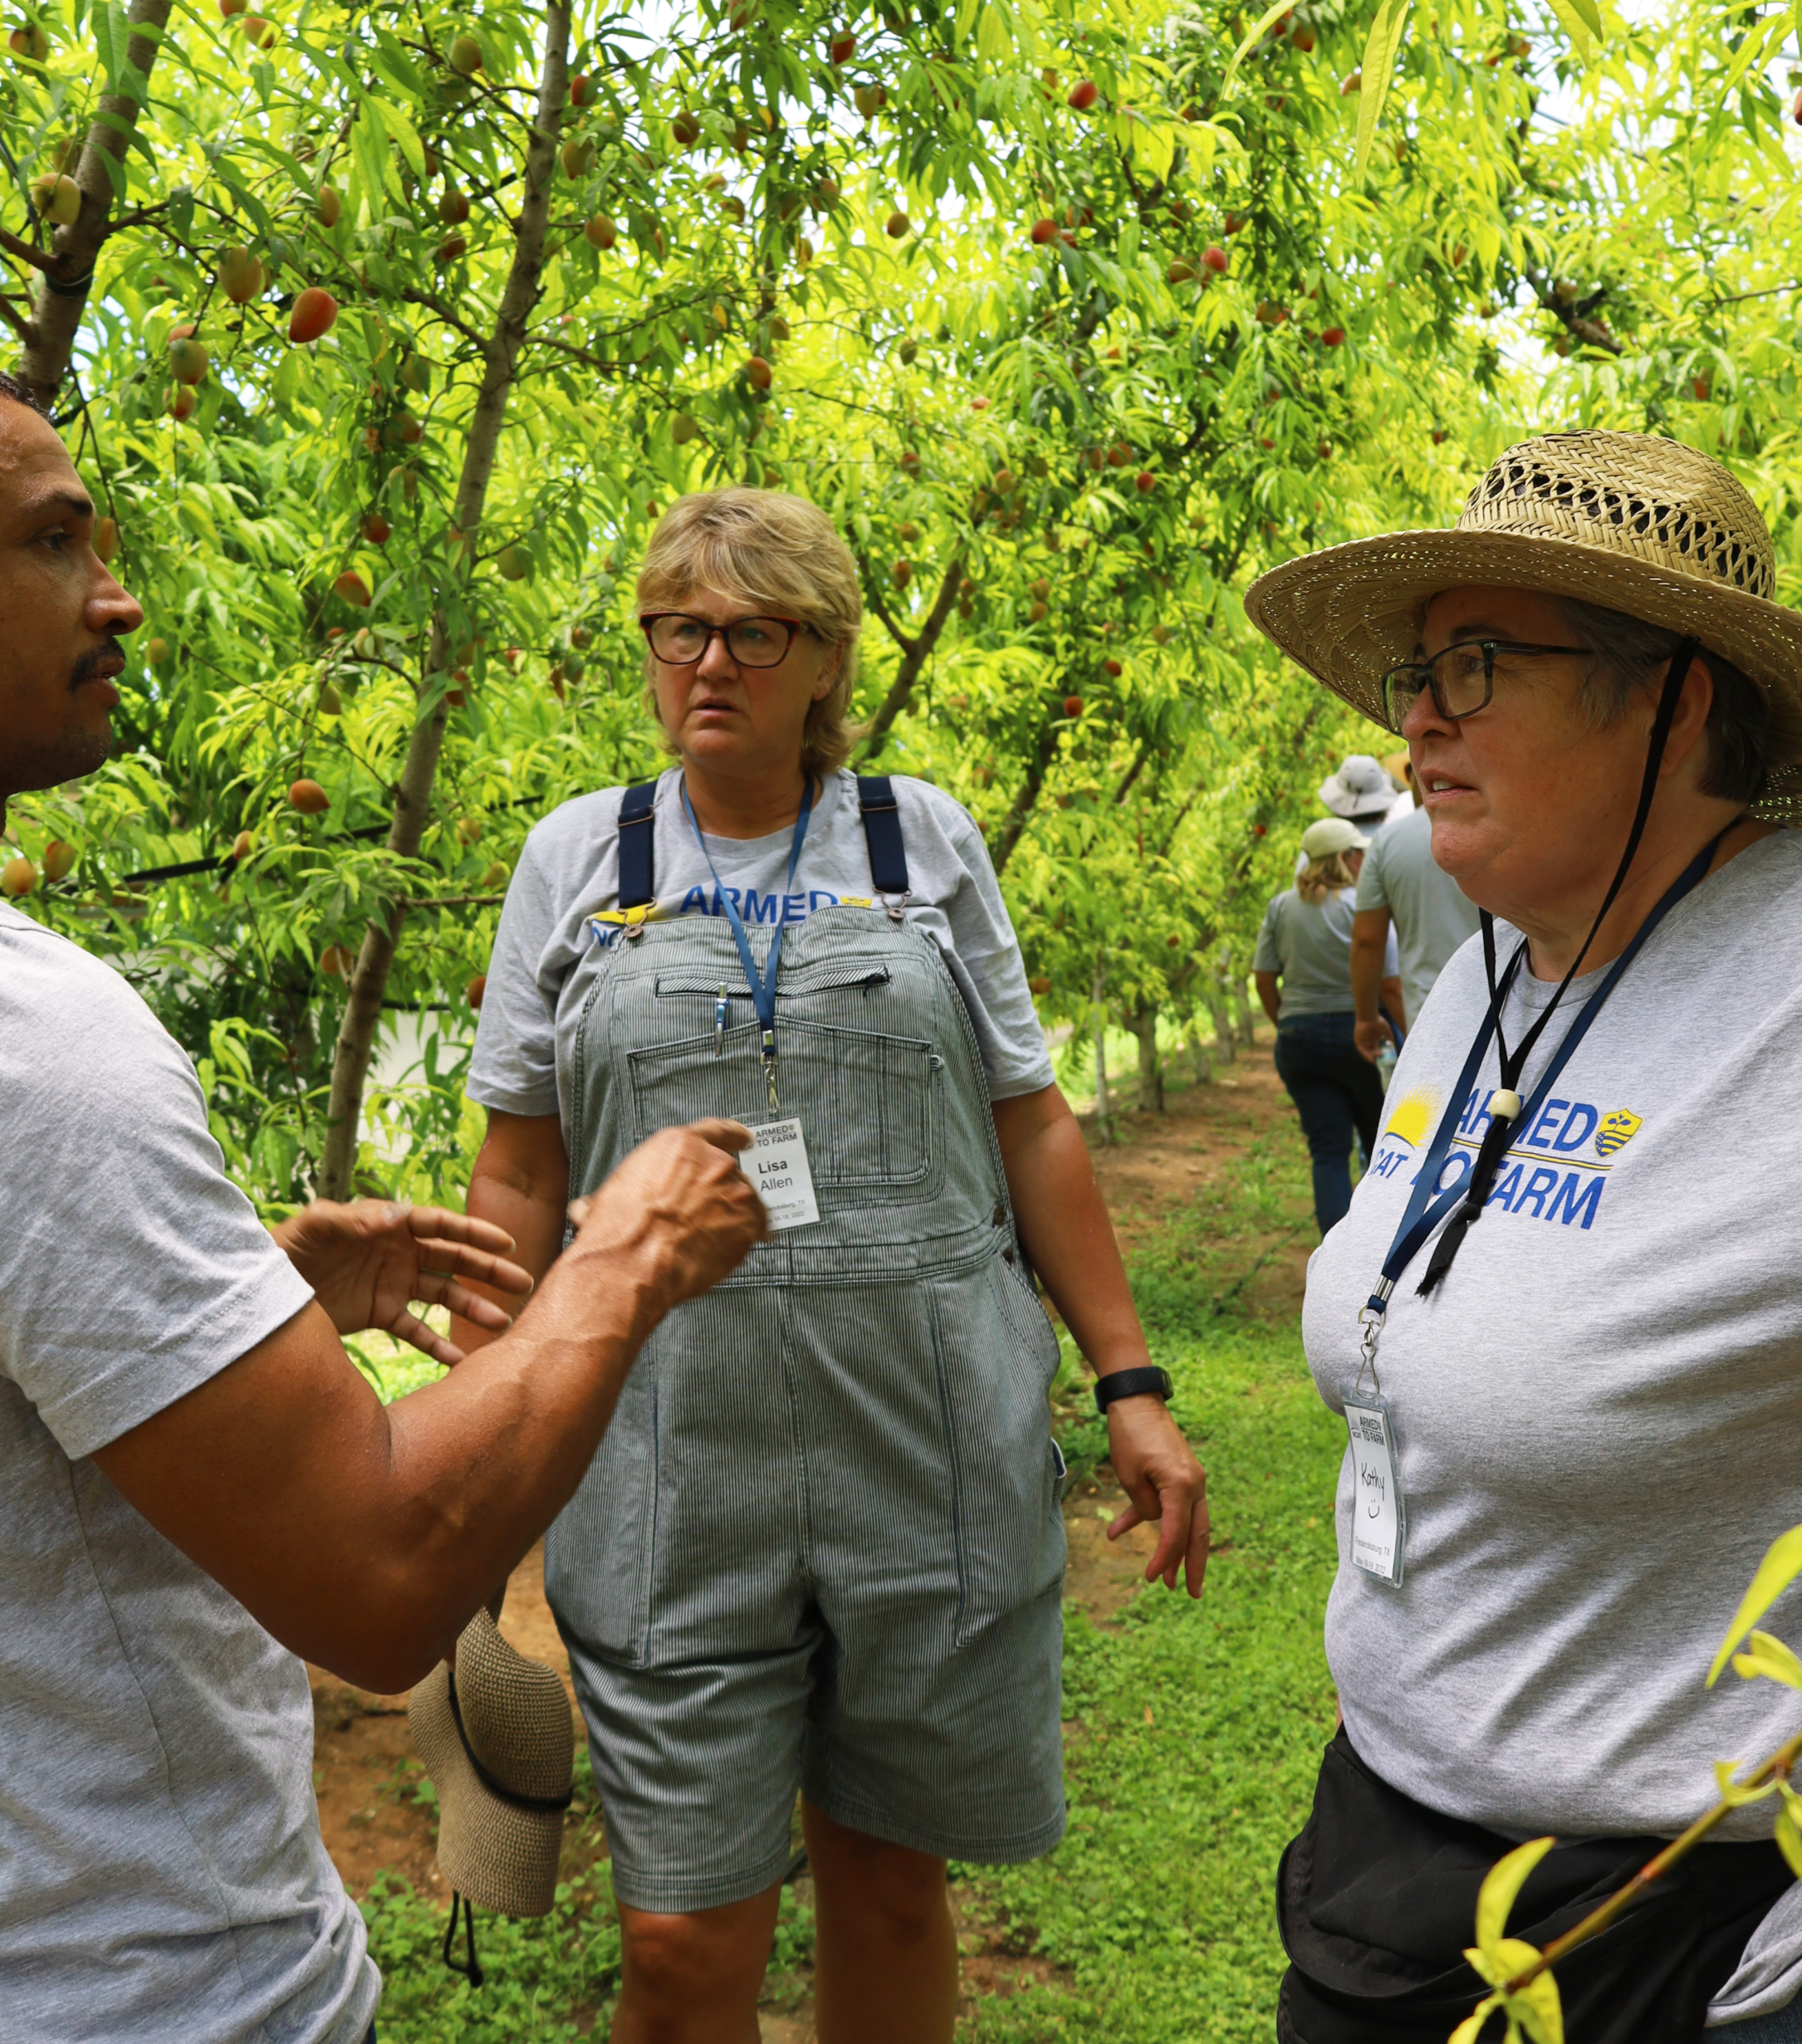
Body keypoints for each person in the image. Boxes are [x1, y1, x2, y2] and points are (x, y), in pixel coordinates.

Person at [0, 336, 768, 2043]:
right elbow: (377, 1575)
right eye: (55, 538)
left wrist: (239, 1298)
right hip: (118, 1987)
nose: (119, 597)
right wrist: (627, 1252)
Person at [456, 486, 1210, 2044]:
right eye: (681, 629)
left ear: (824, 658)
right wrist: (478, 1431)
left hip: (921, 1442)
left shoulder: (915, 835)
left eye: (754, 630)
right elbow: (519, 1165)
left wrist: (1131, 1382)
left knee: (885, 1886)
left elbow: (1030, 1119)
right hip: (667, 1457)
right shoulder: (577, 855)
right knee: (675, 1935)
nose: (709, 660)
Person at [1246, 428, 1802, 2042]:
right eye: (1415, 664)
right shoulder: (1485, 978)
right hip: (1393, 1872)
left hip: (1703, 1938)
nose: (1416, 714)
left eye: (1476, 660)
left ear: (1671, 692)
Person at [1255, 817, 1405, 1235]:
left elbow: (1264, 979)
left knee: (1327, 1152)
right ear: (1344, 857)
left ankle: (1335, 1253)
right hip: (1360, 1034)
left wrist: (1288, 1022)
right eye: (1358, 853)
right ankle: (1381, 1243)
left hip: (1299, 1040)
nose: (1363, 860)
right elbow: (1389, 981)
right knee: (1383, 1148)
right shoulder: (1363, 905)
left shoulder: (1281, 906)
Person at [1349, 772, 1480, 1059]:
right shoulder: (1497, 824)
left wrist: (1367, 1019)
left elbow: (1368, 940)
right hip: (1512, 1005)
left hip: (1430, 1012)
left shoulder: (1389, 841)